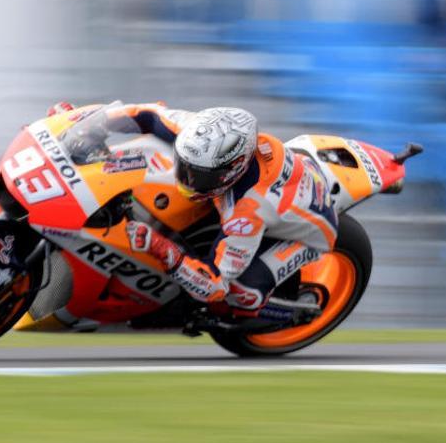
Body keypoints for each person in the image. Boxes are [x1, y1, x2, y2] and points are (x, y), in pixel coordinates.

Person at [51, 101, 338, 315]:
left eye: (197, 174)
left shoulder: (246, 213)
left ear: (229, 171)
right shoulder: (199, 132)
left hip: (310, 233)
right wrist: (89, 123)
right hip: (288, 183)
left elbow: (215, 286)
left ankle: (286, 313)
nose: (185, 178)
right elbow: (146, 114)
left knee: (240, 296)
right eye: (184, 165)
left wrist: (159, 246)